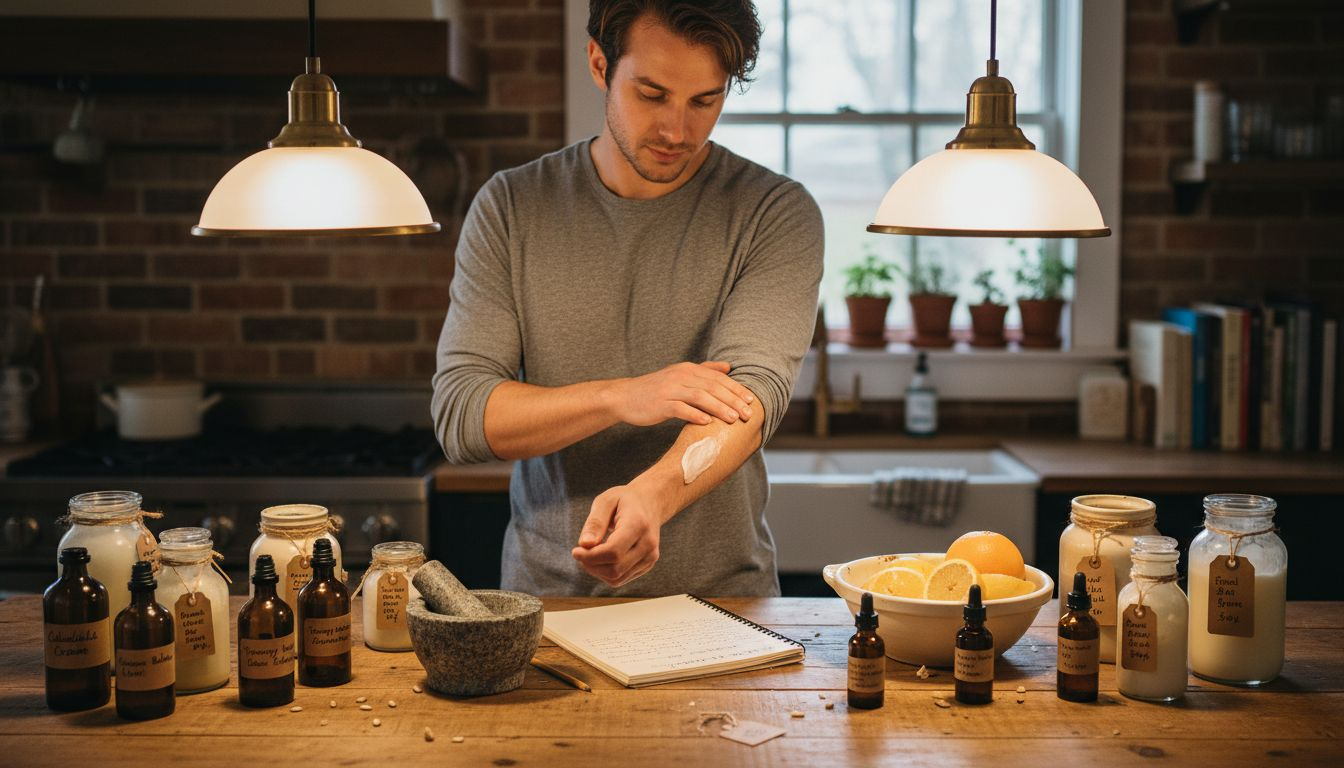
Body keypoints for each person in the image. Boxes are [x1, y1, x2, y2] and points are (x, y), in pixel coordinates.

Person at [432, 0, 823, 597]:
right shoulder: (513, 207)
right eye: (651, 93)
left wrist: (653, 496)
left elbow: (750, 395)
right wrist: (625, 395)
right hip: (547, 606)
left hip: (724, 604)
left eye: (705, 101)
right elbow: (464, 415)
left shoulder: (774, 212)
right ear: (598, 63)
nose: (677, 131)